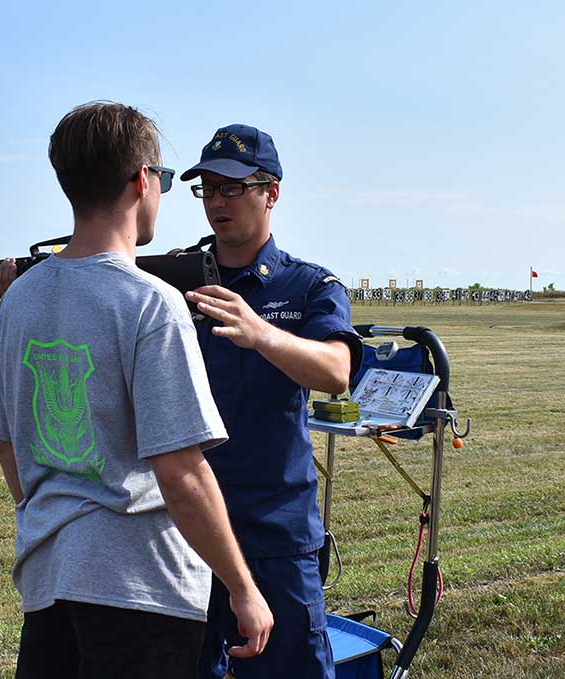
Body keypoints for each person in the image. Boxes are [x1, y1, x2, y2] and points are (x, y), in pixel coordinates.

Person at [0, 102, 273, 679]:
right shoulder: (151, 303)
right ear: (143, 180)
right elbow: (180, 472)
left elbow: (8, 444)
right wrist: (242, 587)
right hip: (142, 590)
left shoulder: (18, 299)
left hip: (48, 582)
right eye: (165, 179)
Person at [180, 124, 363, 679]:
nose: (217, 201)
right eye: (208, 188)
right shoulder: (173, 278)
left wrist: (261, 332)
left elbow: (336, 371)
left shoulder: (309, 285)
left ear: (272, 192)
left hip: (273, 532)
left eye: (233, 188)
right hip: (184, 526)